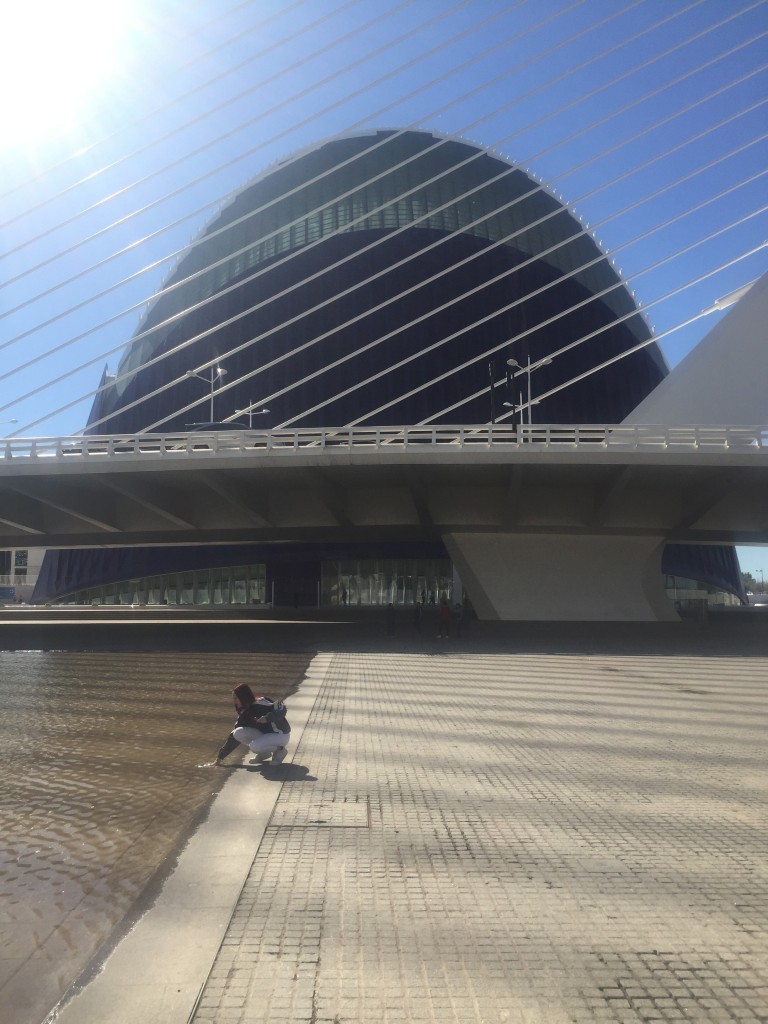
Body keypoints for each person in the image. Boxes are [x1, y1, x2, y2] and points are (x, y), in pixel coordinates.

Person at [211, 684, 291, 766]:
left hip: (281, 735)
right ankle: (264, 753)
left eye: (236, 698)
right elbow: (233, 738)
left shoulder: (260, 704)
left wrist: (267, 718)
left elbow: (282, 708)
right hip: (266, 735)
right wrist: (219, 759)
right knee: (237, 733)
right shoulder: (244, 713)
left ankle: (280, 750)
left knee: (254, 746)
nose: (234, 701)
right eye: (233, 698)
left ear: (243, 697)